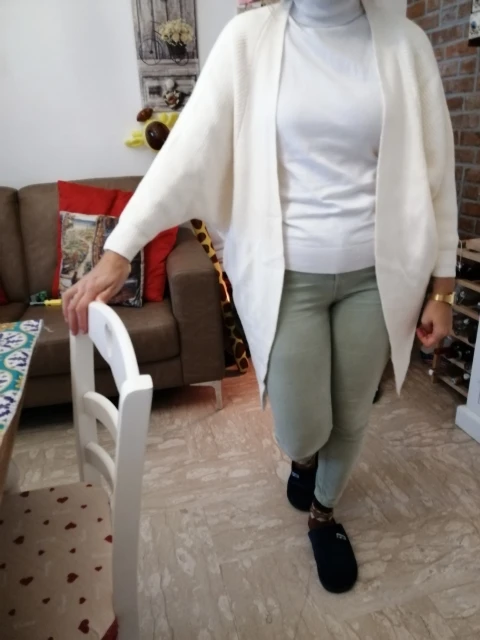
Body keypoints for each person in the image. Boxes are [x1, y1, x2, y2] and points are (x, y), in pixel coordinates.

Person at [63, 0, 458, 593]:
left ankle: (324, 513)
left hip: (378, 276)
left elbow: (437, 172)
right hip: (286, 277)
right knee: (302, 427)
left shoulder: (406, 45)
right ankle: (304, 460)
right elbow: (187, 151)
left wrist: (442, 291)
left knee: (352, 413)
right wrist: (121, 247)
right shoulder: (247, 40)